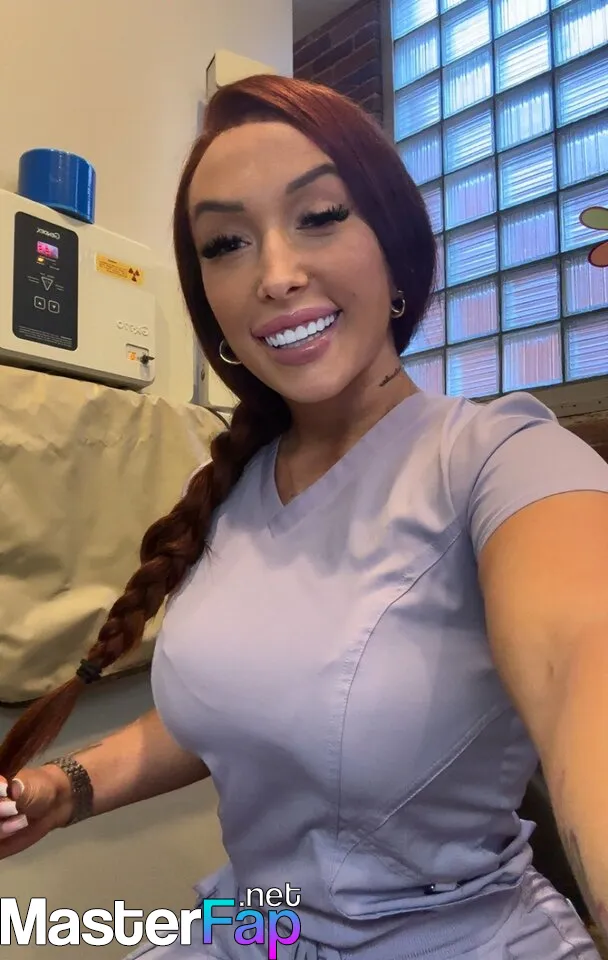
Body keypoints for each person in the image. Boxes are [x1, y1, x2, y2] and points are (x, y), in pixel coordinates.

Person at [0, 74, 607, 960]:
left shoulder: (504, 459)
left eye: (320, 217)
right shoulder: (230, 487)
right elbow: (243, 708)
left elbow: (579, 659)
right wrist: (65, 787)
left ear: (396, 249)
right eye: (226, 243)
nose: (276, 275)